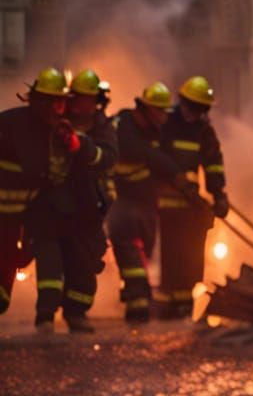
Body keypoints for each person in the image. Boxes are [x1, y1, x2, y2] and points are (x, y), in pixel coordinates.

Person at [0, 68, 70, 330]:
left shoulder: (60, 131)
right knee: (7, 261)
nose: (56, 109)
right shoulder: (9, 124)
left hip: (36, 208)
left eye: (60, 103)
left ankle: (46, 314)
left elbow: (59, 172)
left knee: (46, 249)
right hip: (4, 212)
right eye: (51, 102)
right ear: (37, 101)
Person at [109, 82, 182, 323]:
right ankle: (137, 306)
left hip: (146, 204)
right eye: (159, 111)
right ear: (146, 109)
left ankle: (138, 297)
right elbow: (143, 153)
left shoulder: (153, 130)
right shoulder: (123, 126)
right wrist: (175, 174)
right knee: (131, 256)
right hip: (121, 203)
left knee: (143, 256)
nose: (163, 117)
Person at [156, 76, 228, 319]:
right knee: (171, 255)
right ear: (182, 102)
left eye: (199, 109)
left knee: (191, 256)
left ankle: (184, 303)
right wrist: (180, 184)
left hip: (192, 205)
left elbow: (213, 164)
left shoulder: (204, 130)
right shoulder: (166, 123)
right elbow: (158, 160)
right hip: (166, 202)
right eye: (191, 107)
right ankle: (167, 304)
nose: (193, 113)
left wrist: (219, 195)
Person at [57, 69, 119, 333]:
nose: (82, 104)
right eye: (78, 98)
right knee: (57, 254)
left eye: (88, 98)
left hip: (89, 203)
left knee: (88, 256)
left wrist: (81, 146)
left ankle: (76, 312)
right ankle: (48, 310)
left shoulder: (103, 126)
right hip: (58, 199)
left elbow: (108, 157)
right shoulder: (58, 121)